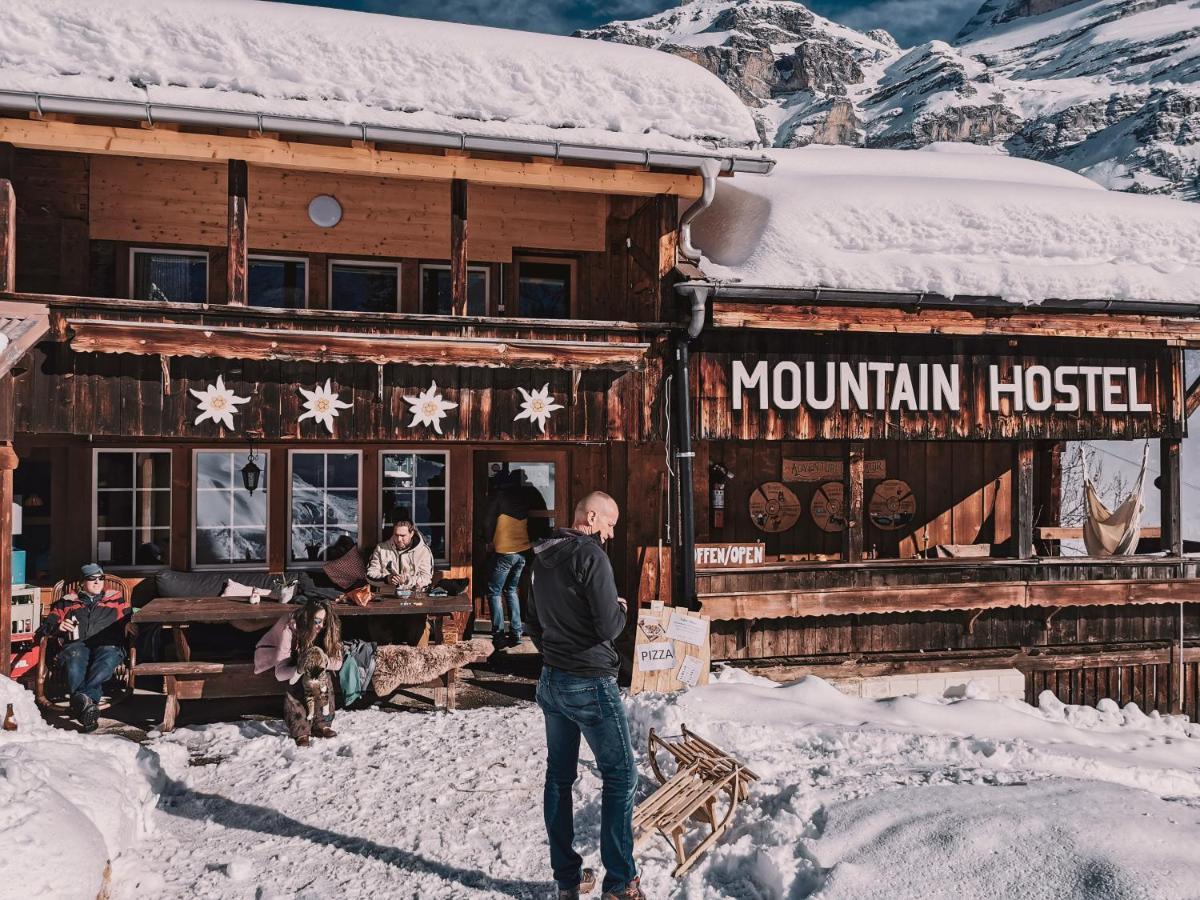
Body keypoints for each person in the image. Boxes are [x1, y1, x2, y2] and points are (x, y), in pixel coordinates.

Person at [527, 492, 642, 900]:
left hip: (552, 679)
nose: (611, 533)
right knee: (622, 775)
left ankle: (567, 880)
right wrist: (621, 608)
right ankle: (620, 884)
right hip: (590, 680)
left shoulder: (541, 555)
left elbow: (532, 621)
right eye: (609, 523)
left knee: (559, 777)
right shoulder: (591, 556)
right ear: (590, 516)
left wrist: (557, 645)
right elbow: (610, 626)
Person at [37, 563, 130, 732]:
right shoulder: (65, 603)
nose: (97, 582)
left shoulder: (117, 600)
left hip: (107, 644)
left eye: (100, 578)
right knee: (74, 660)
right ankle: (88, 710)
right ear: (81, 583)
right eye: (91, 579)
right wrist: (59, 626)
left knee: (107, 659)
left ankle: (82, 701)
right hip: (76, 645)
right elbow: (44, 628)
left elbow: (132, 620)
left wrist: (133, 626)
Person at [254, 597, 343, 747]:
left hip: (317, 664)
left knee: (324, 677)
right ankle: (300, 729)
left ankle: (322, 723)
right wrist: (300, 668)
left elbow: (338, 663)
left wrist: (324, 662)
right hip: (287, 662)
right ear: (307, 618)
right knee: (296, 683)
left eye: (324, 621)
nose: (321, 625)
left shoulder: (329, 629)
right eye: (316, 621)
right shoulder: (289, 627)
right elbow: (280, 673)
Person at [480, 469, 546, 648]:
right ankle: (516, 632)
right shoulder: (524, 496)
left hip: (504, 551)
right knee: (511, 590)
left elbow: (487, 521)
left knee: (494, 592)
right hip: (522, 551)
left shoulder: (500, 496)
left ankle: (499, 635)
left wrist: (488, 541)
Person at [367, 520, 434, 591]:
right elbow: (369, 575)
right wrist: (387, 579)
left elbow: (426, 579)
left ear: (411, 534)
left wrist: (407, 580)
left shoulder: (423, 551)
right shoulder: (381, 548)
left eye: (403, 536)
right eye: (396, 535)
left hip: (413, 596)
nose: (399, 539)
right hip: (386, 595)